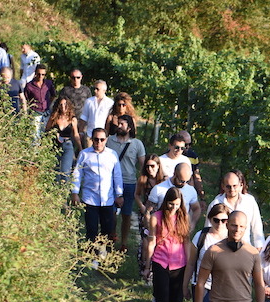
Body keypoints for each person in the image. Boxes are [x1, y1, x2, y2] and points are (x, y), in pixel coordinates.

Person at [141, 187, 190, 302]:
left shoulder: (183, 218)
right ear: (165, 202)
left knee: (174, 298)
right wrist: (147, 266)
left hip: (179, 262)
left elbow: (186, 242)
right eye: (171, 204)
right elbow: (151, 242)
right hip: (160, 260)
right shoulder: (156, 217)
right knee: (162, 296)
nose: (173, 207)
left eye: (177, 204)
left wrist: (189, 265)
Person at [71, 127, 123, 267]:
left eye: (102, 139)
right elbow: (77, 174)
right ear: (92, 139)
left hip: (107, 198)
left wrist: (119, 194)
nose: (99, 142)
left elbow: (117, 175)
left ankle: (102, 249)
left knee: (107, 227)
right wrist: (75, 193)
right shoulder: (84, 154)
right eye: (96, 139)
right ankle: (91, 257)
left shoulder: (112, 155)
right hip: (90, 198)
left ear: (106, 140)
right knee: (91, 228)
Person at [106, 114, 146, 253]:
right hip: (111, 182)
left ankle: (123, 243)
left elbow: (142, 164)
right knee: (111, 212)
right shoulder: (109, 141)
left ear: (129, 128)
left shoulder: (137, 144)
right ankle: (112, 235)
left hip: (129, 183)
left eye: (122, 124)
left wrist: (142, 183)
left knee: (127, 214)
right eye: (118, 123)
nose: (119, 126)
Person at [204, 170, 264, 248]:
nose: (232, 189)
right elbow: (209, 230)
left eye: (234, 186)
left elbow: (257, 227)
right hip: (222, 248)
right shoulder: (215, 204)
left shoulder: (249, 202)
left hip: (245, 247)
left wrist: (259, 247)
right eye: (228, 186)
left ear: (240, 185)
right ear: (223, 186)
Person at [148, 162, 201, 234]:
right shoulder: (159, 189)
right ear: (174, 174)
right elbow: (148, 211)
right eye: (181, 181)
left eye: (187, 181)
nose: (184, 184)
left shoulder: (191, 190)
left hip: (181, 231)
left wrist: (193, 223)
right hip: (161, 229)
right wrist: (150, 229)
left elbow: (196, 209)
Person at [44, 98, 81, 183]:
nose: (63, 107)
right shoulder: (54, 118)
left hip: (67, 145)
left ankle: (65, 189)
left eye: (65, 104)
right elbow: (46, 131)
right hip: (55, 146)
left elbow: (76, 134)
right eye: (61, 104)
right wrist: (53, 135)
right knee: (55, 171)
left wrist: (80, 148)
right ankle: (55, 189)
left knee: (65, 171)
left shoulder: (72, 119)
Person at [24, 64, 56, 135]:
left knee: (46, 133)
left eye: (43, 74)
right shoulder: (29, 85)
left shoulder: (48, 83)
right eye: (38, 74)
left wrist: (49, 103)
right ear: (35, 73)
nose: (40, 76)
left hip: (46, 112)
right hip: (35, 112)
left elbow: (53, 94)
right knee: (35, 135)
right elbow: (25, 99)